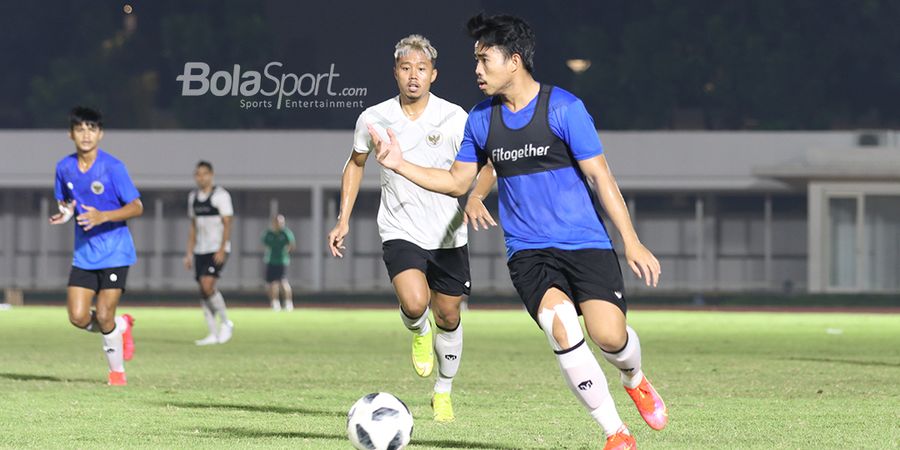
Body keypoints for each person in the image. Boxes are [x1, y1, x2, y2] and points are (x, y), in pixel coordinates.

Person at [369, 14, 667, 449]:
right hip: (529, 252)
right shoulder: (481, 120)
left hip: (586, 244)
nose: (476, 69)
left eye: (484, 59)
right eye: (475, 60)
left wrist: (631, 240)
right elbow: (457, 181)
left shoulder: (563, 108)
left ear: (513, 61)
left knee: (610, 337)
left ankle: (635, 378)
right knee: (560, 325)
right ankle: (615, 432)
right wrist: (399, 164)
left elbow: (603, 178)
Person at [327, 34, 489, 422]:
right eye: (405, 68)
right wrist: (343, 217)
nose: (413, 76)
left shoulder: (455, 118)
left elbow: (485, 166)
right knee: (416, 303)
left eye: (421, 69)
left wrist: (477, 196)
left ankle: (443, 391)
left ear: (433, 74)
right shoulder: (374, 118)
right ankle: (418, 330)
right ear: (395, 73)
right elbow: (355, 163)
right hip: (400, 229)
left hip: (449, 234)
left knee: (449, 315)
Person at [49, 106, 141, 386]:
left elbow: (136, 206)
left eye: (91, 128)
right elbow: (67, 202)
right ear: (71, 134)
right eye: (80, 129)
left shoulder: (113, 167)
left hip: (115, 251)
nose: (85, 134)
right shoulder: (64, 167)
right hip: (84, 254)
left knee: (103, 315)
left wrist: (104, 216)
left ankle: (117, 374)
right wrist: (65, 214)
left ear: (100, 134)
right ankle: (121, 326)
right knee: (77, 317)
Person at [184, 161, 235, 345]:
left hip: (217, 249)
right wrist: (189, 253)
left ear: (211, 175)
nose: (201, 177)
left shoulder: (221, 196)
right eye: (198, 174)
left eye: (205, 173)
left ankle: (227, 323)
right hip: (200, 250)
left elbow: (228, 222)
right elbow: (193, 227)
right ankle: (213, 333)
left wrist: (222, 248)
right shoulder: (193, 198)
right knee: (203, 291)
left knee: (207, 286)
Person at [262, 214, 296, 311]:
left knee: (281, 282)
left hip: (281, 261)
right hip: (271, 260)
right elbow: (264, 244)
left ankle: (288, 303)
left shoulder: (285, 233)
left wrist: (286, 252)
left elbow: (292, 245)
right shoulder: (269, 233)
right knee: (271, 284)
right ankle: (275, 302)